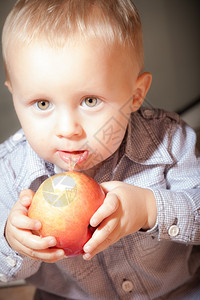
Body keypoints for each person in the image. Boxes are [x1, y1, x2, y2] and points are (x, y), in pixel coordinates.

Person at [0, 0, 199, 299]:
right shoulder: (10, 169)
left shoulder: (170, 142)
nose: (68, 129)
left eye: (90, 101)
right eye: (42, 104)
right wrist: (12, 241)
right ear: (14, 95)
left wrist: (148, 208)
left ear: (136, 95)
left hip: (177, 290)